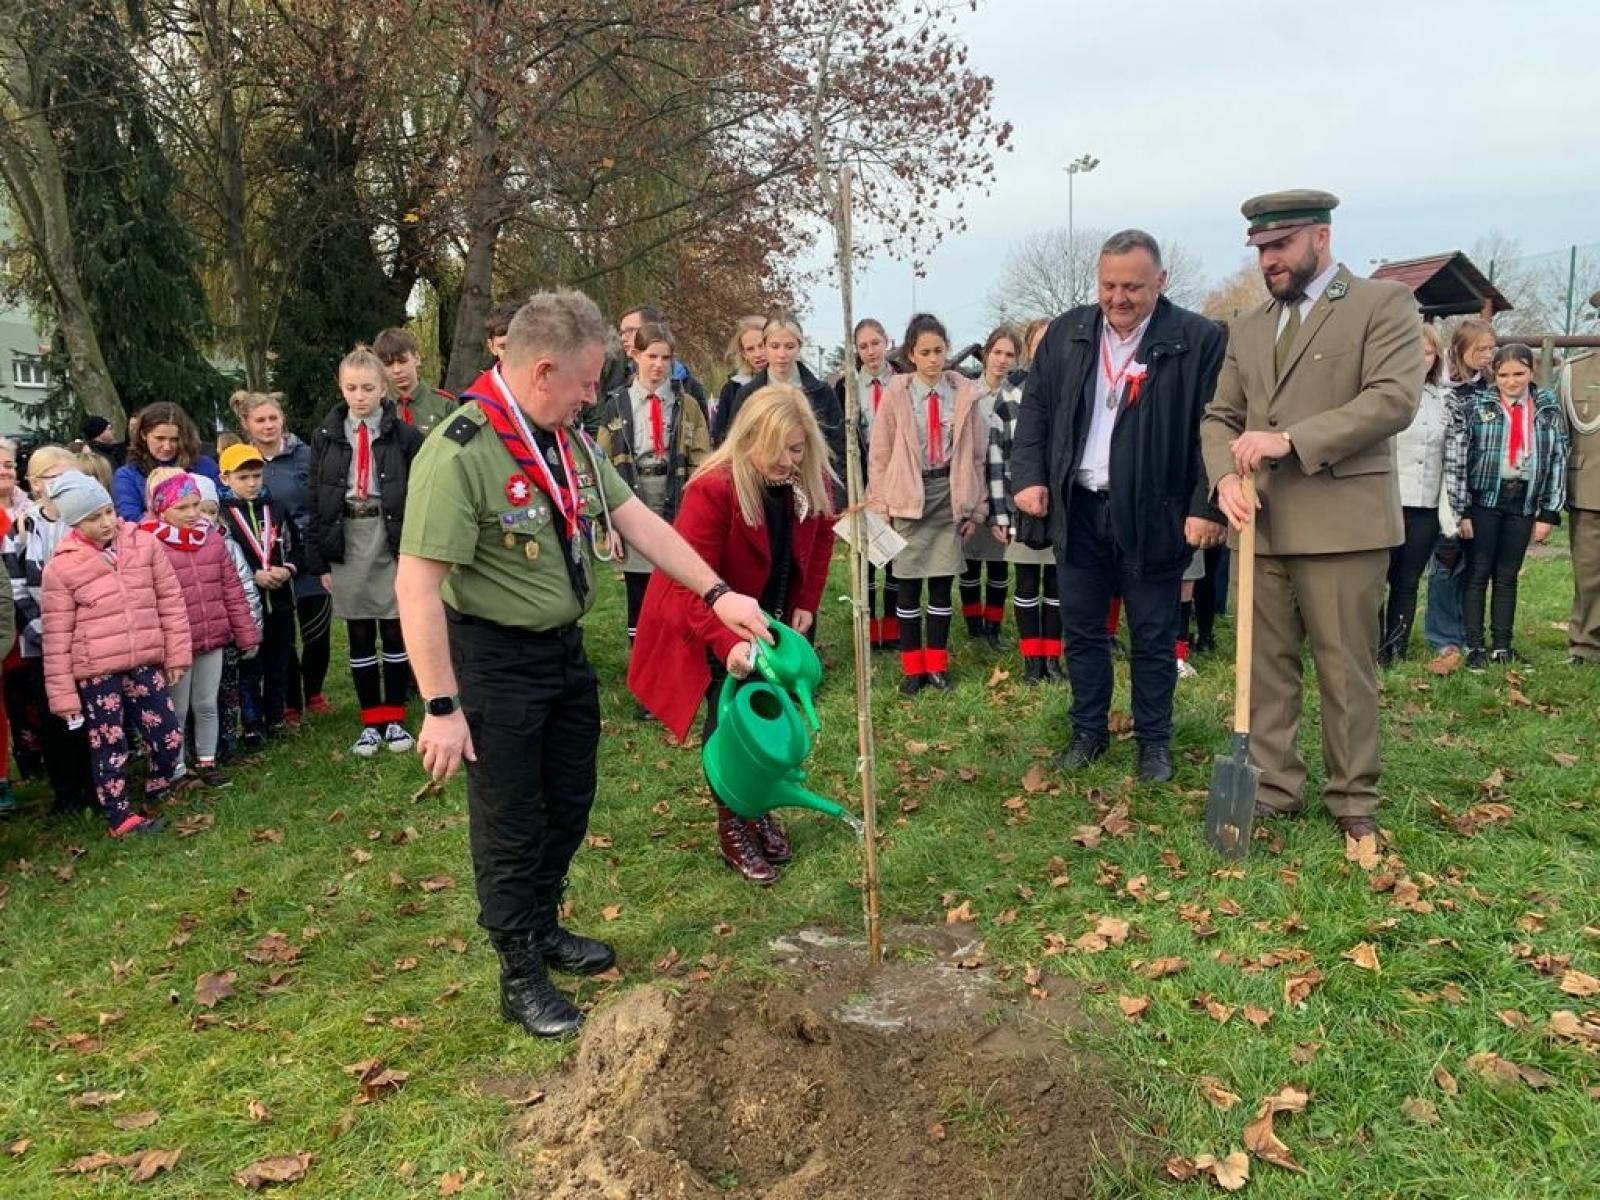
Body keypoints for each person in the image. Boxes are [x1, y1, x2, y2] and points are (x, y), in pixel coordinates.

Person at [397, 290, 768, 1038]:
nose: (596, 395)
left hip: (561, 653)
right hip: (494, 660)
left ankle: (543, 925)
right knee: (511, 819)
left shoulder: (565, 440)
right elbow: (417, 584)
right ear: (542, 372)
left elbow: (637, 521)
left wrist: (718, 591)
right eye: (588, 381)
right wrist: (441, 706)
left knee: (568, 799)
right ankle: (518, 971)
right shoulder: (462, 450)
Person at [1200, 190, 1423, 840]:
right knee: (1265, 667)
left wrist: (1292, 439)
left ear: (1320, 238)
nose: (1269, 259)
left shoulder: (1381, 304)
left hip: (1343, 524)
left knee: (1343, 667)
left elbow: (1392, 399)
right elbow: (1221, 416)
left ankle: (1353, 797)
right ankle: (1272, 787)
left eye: (1280, 245)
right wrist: (1221, 476)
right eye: (1261, 249)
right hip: (1262, 526)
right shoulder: (1248, 326)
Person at [1011, 230, 1226, 781]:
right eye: (1109, 284)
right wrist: (1031, 476)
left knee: (1153, 634)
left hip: (1154, 511)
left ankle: (1154, 742)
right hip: (1079, 506)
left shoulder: (1196, 340)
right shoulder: (1068, 332)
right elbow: (1035, 409)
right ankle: (1088, 730)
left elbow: (1216, 428)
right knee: (1082, 630)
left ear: (1161, 281)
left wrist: (1206, 506)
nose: (1119, 297)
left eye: (1133, 285)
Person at [630, 385, 837, 884]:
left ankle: (757, 806)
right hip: (709, 620)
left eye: (796, 448)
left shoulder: (805, 483)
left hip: (768, 617)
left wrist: (805, 604)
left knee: (767, 714)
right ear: (748, 439)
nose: (787, 460)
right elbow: (687, 581)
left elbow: (823, 536)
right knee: (729, 721)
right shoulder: (714, 489)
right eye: (777, 449)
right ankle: (733, 822)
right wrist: (729, 645)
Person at [41, 471, 192, 837]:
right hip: (97, 671)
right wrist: (63, 695)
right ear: (76, 522)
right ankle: (119, 814)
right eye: (94, 518)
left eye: (108, 512)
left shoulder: (143, 544)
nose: (106, 522)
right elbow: (56, 635)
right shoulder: (61, 567)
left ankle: (159, 785)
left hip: (144, 660)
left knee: (168, 733)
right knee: (109, 743)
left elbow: (170, 601)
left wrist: (176, 654)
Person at [308, 345, 426, 757]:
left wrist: (415, 551)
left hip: (388, 534)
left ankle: (394, 717)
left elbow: (420, 493)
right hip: (348, 535)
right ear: (341, 388)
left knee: (394, 627)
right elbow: (315, 496)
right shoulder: (325, 436)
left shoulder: (405, 435)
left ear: (383, 389)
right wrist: (319, 556)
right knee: (359, 630)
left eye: (368, 388)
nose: (359, 396)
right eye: (351, 388)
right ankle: (370, 721)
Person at [868, 312, 987, 695]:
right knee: (906, 588)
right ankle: (912, 667)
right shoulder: (897, 395)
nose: (934, 359)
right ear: (911, 355)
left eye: (940, 350)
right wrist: (879, 507)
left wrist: (977, 506)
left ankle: (936, 664)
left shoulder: (965, 394)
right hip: (907, 497)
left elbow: (978, 456)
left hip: (946, 496)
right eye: (925, 352)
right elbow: (880, 455)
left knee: (939, 588)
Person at [1445, 342, 1568, 670]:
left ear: (1531, 372)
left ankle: (1502, 644)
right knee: (1478, 572)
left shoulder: (1545, 409)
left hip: (1523, 500)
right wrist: (1462, 510)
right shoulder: (1477, 406)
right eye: (1504, 375)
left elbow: (1557, 458)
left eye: (1519, 374)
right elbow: (1460, 459)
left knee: (1507, 575)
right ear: (1493, 374)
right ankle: (1474, 645)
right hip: (1484, 501)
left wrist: (1548, 512)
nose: (1512, 381)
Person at [592, 321, 711, 651]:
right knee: (640, 589)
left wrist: (699, 507)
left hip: (675, 494)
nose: (658, 365)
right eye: (651, 356)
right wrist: (608, 524)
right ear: (635, 356)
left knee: (677, 581)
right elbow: (601, 464)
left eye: (666, 358)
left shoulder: (685, 404)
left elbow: (703, 456)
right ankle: (642, 659)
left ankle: (677, 657)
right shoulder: (617, 403)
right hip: (632, 494)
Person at [142, 470, 261, 788]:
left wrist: (246, 631)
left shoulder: (212, 539)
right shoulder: (149, 544)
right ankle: (176, 767)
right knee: (177, 708)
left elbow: (233, 589)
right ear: (161, 509)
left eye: (196, 504)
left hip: (213, 636)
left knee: (207, 703)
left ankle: (207, 762)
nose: (193, 513)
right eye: (182, 508)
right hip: (175, 644)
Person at [2, 446, 98, 814]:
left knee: (94, 717)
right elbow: (16, 588)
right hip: (44, 644)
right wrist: (49, 636)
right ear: (35, 484)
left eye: (66, 476)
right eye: (50, 478)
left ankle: (97, 785)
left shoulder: (89, 520)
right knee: (55, 720)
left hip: (90, 640)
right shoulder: (23, 530)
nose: (58, 485)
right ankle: (66, 793)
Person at [233, 390, 333, 720]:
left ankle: (314, 689)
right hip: (268, 563)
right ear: (247, 424)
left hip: (309, 555)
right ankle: (290, 698)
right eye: (260, 420)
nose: (268, 425)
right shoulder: (243, 463)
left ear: (283, 420)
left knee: (316, 630)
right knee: (282, 635)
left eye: (273, 418)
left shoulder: (306, 454)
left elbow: (322, 501)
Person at [1423, 318, 1499, 670]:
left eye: (1490, 348)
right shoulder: (1445, 390)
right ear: (1459, 349)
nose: (1486, 355)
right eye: (1479, 348)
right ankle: (1443, 636)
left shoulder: (1495, 389)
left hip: (1485, 493)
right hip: (1449, 491)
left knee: (1476, 566)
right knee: (1446, 564)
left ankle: (1471, 633)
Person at [986, 331, 1062, 685]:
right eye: (1039, 341)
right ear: (1029, 347)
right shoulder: (1011, 392)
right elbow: (997, 457)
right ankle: (1032, 660)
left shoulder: (1073, 385)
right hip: (1023, 503)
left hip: (1063, 504)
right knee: (1028, 583)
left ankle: (1053, 657)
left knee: (1059, 585)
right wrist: (1000, 512)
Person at [218, 444, 305, 746]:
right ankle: (252, 724)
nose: (253, 483)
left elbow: (297, 547)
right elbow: (223, 560)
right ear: (225, 478)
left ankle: (277, 717)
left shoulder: (277, 508)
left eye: (257, 475)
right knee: (250, 667)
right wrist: (254, 574)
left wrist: (289, 569)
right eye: (243, 477)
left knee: (279, 663)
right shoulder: (221, 517)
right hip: (245, 606)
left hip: (280, 601)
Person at [1380, 324, 1454, 664]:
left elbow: (1450, 455)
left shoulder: (1444, 399)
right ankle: (1368, 646)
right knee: (1375, 579)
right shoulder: (1382, 394)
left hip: (1424, 504)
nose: (1419, 359)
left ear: (1435, 357)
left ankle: (1395, 647)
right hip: (1384, 500)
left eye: (1426, 352)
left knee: (1407, 580)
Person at [836, 318, 905, 649]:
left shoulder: (903, 380)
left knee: (893, 555)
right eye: (863, 346)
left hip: (898, 476)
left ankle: (892, 627)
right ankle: (868, 625)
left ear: (886, 342)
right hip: (863, 479)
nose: (870, 351)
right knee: (866, 555)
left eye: (875, 343)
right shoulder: (848, 386)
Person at [714, 313, 846, 484]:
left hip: (812, 486)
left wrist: (838, 497)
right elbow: (735, 447)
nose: (782, 354)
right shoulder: (746, 394)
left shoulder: (823, 393)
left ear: (800, 346)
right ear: (765, 345)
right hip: (760, 489)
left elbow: (838, 450)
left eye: (789, 346)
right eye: (775, 346)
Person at [194, 474, 261, 765]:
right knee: (198, 700)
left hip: (227, 635)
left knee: (228, 692)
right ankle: (197, 752)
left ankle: (229, 744)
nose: (206, 518)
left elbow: (244, 590)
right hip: (195, 638)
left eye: (211, 511)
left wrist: (251, 629)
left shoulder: (228, 545)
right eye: (199, 510)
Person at [959, 331, 1017, 650]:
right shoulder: (969, 393)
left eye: (1009, 354)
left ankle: (993, 626)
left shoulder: (1017, 394)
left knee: (997, 561)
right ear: (986, 354)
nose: (1002, 360)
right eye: (997, 352)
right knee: (970, 560)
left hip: (1003, 488)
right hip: (973, 483)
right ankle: (973, 625)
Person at [111, 402, 222, 520]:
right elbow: (130, 519)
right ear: (143, 434)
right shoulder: (128, 476)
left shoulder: (205, 466)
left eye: (174, 439)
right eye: (160, 438)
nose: (167, 446)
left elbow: (226, 506)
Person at [1564, 351, 1600, 665]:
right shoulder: (1575, 371)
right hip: (1589, 488)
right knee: (1588, 573)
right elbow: (1562, 432)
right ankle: (1585, 645)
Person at [374, 327, 456, 436]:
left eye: (402, 361)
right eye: (388, 364)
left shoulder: (444, 405)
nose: (397, 370)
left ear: (416, 359)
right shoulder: (375, 406)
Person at [718, 315, 768, 431]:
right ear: (743, 354)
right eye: (750, 349)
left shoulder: (794, 383)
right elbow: (721, 435)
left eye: (762, 345)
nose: (758, 354)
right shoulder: (732, 389)